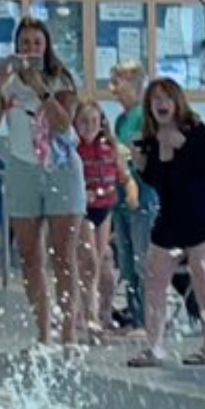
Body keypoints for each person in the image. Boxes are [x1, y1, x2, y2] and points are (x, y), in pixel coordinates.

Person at [0, 16, 85, 351]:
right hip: (23, 169)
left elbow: (63, 123)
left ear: (47, 46)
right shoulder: (10, 86)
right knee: (29, 254)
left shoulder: (62, 80)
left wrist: (39, 86)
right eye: (24, 44)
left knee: (63, 255)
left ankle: (69, 333)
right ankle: (44, 331)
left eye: (36, 44)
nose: (30, 50)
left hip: (61, 169)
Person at [128, 78, 205, 368]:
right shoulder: (150, 138)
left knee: (203, 280)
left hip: (203, 218)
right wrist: (142, 167)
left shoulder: (195, 131)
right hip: (170, 220)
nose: (161, 103)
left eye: (166, 98)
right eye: (155, 98)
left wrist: (183, 146)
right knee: (154, 281)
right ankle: (154, 346)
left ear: (177, 102)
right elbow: (159, 182)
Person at [74, 97, 134, 343]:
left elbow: (124, 177)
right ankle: (89, 314)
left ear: (101, 123)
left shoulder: (110, 148)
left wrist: (131, 193)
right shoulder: (74, 149)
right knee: (90, 261)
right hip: (83, 211)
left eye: (93, 121)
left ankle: (103, 311)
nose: (88, 126)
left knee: (102, 261)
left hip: (104, 210)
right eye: (83, 122)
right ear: (75, 124)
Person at [109, 59, 155, 330]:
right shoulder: (121, 120)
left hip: (144, 197)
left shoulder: (143, 117)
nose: (112, 89)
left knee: (142, 260)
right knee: (127, 262)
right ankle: (136, 315)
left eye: (117, 82)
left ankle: (149, 321)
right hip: (122, 199)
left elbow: (141, 158)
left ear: (134, 83)